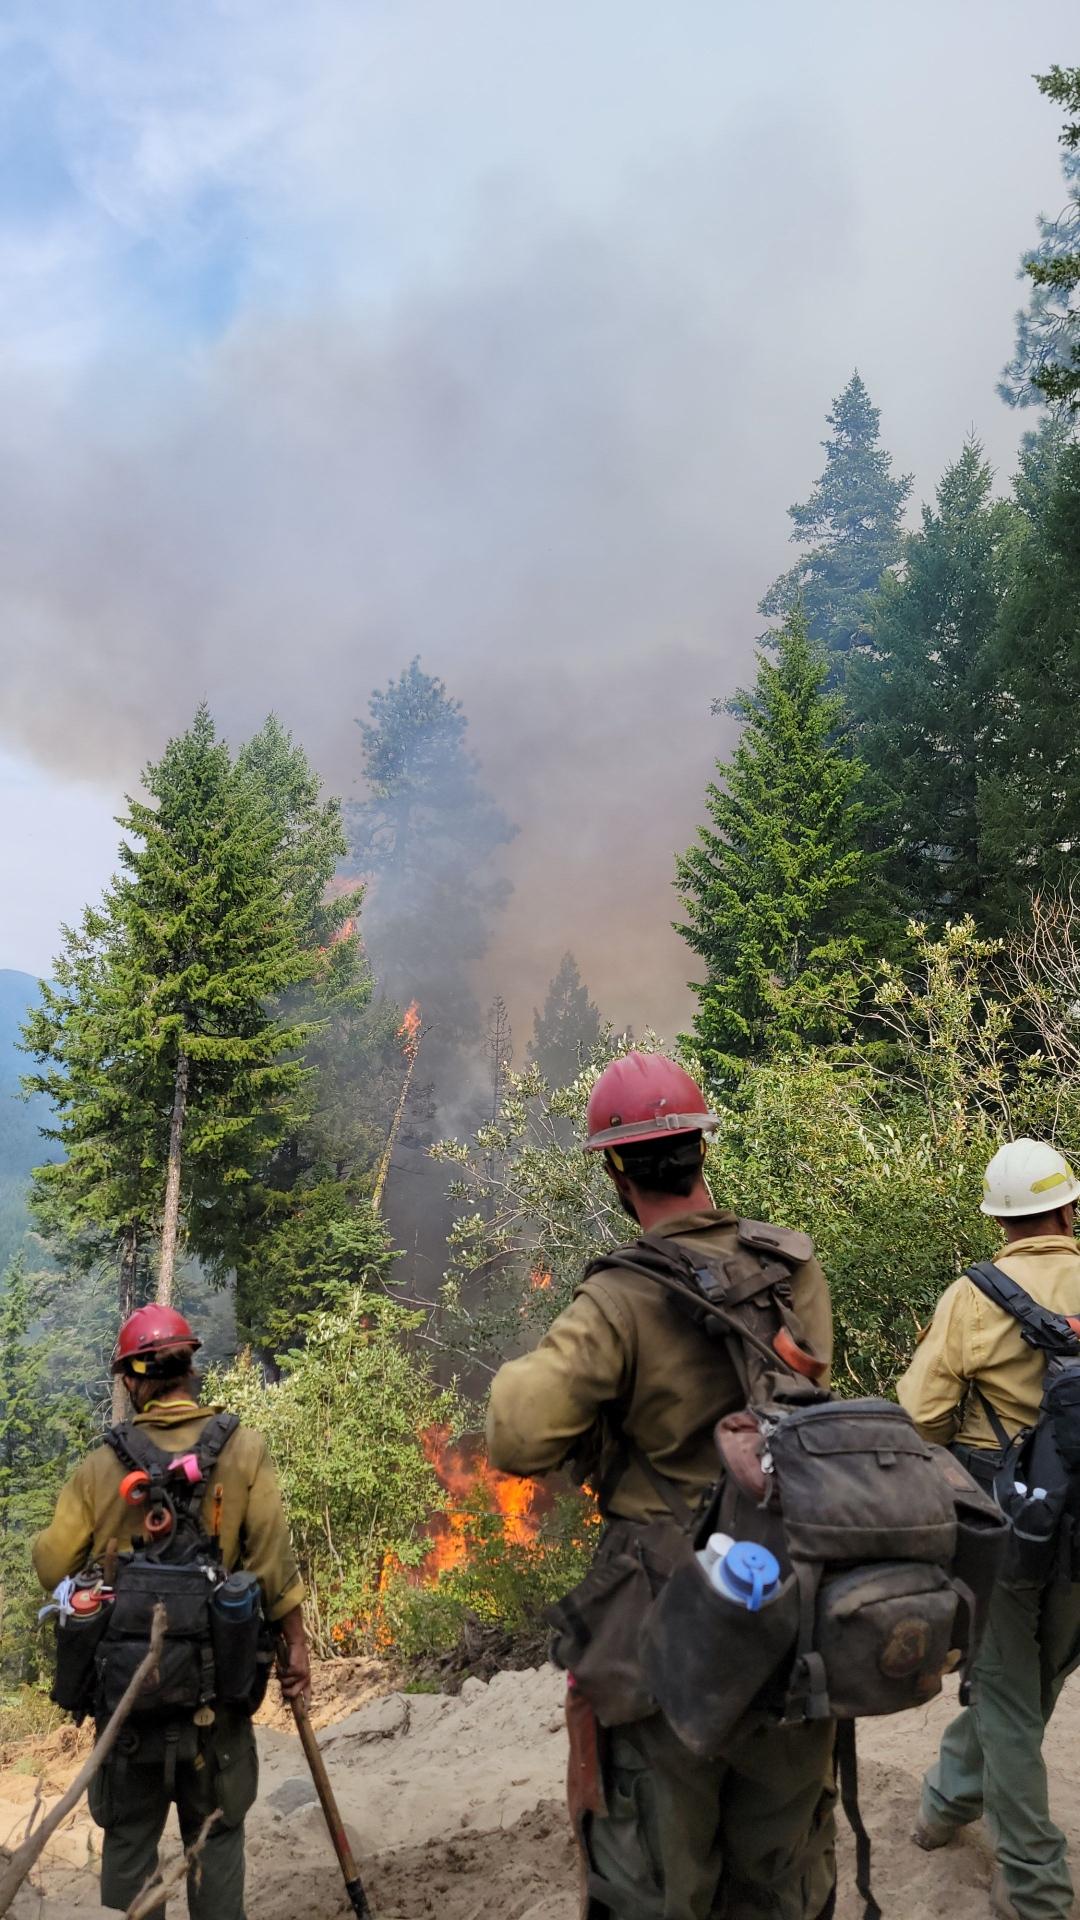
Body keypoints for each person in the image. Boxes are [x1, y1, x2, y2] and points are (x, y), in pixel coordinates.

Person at [486, 1050, 837, 1920]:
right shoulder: (791, 1267)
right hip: (793, 1603)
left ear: (615, 1168)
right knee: (784, 1871)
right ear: (701, 1151)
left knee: (655, 1875)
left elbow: (517, 1435)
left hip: (665, 1622)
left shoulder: (621, 1298)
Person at [34, 1304, 310, 1919]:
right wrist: (296, 1647)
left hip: (130, 1706)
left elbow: (52, 1563)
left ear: (133, 1379)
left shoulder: (103, 1465)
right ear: (188, 1366)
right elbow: (273, 1569)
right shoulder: (243, 1451)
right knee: (215, 1836)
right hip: (217, 1709)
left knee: (130, 1841)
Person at [898, 1138, 1080, 1920]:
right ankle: (945, 1801)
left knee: (1007, 1691)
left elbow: (919, 1417)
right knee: (1033, 1683)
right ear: (1069, 1208)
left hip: (1007, 1525)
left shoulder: (976, 1298)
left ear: (1000, 1222)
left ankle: (1033, 1886)